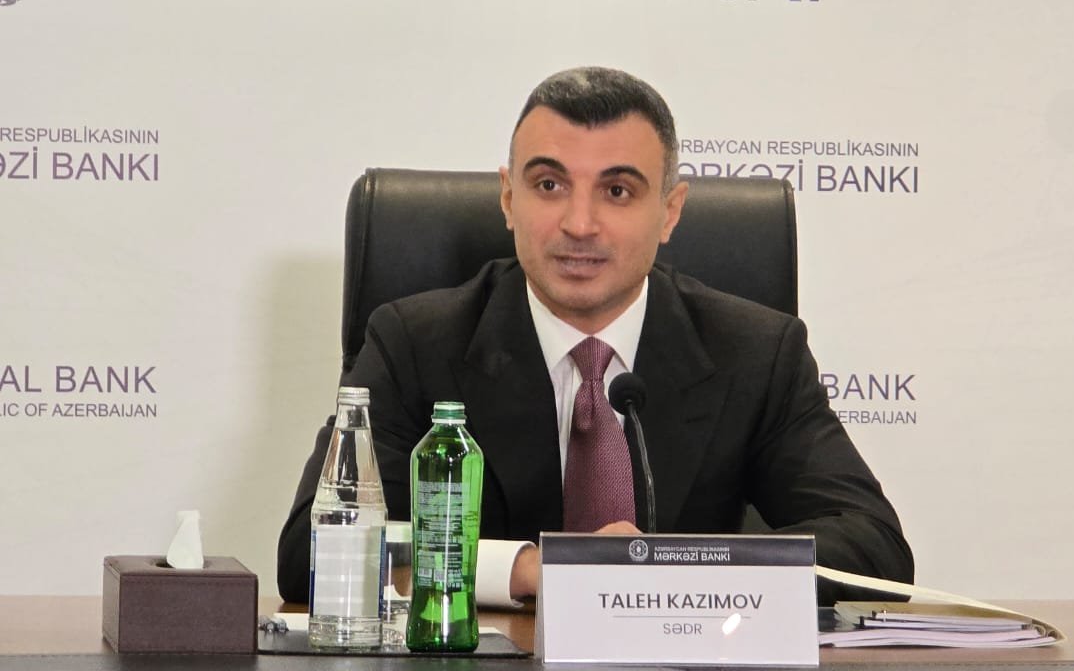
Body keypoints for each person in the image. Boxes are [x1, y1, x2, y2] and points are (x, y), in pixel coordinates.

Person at [278, 67, 913, 606]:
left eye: (617, 190)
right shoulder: (414, 342)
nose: (579, 224)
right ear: (508, 199)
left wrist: (667, 571)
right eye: (549, 185)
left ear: (669, 212)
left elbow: (874, 548)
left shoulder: (755, 351)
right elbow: (315, 546)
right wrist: (535, 570)